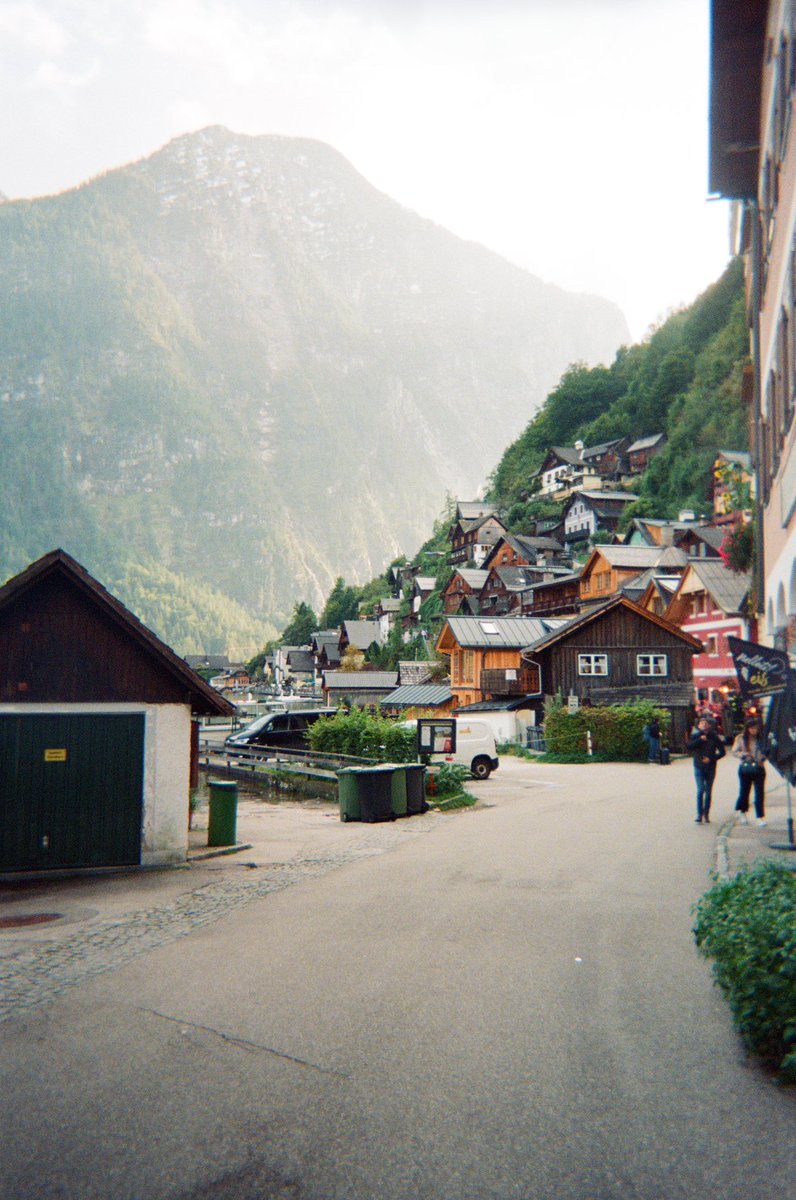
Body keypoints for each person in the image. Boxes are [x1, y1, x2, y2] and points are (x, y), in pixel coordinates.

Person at [686, 716, 726, 823]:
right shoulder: (695, 736)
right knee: (700, 790)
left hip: (710, 767)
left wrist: (711, 759)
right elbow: (689, 747)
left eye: (705, 723)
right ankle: (699, 814)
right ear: (698, 725)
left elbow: (722, 752)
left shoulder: (714, 737)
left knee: (708, 791)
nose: (703, 725)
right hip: (698, 766)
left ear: (709, 725)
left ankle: (706, 813)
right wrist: (699, 740)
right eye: (701, 723)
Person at [732, 717, 768, 826]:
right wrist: (743, 755)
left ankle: (759, 816)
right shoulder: (741, 738)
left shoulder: (762, 739)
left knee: (759, 793)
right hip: (745, 768)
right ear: (747, 729)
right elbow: (734, 751)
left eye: (755, 728)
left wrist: (763, 758)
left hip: (759, 767)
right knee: (745, 791)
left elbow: (767, 751)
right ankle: (743, 812)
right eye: (751, 728)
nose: (754, 731)